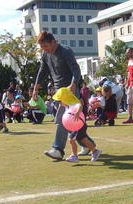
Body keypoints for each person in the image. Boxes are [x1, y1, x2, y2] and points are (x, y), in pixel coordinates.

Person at [33, 31, 87, 160]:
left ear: (53, 42)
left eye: (45, 46)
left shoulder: (65, 51)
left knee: (64, 119)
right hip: (59, 92)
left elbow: (76, 70)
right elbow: (42, 71)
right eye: (42, 47)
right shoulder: (45, 54)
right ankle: (86, 143)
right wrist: (36, 87)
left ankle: (57, 149)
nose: (44, 49)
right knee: (72, 121)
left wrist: (74, 84)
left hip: (70, 91)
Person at [52, 88, 101, 162]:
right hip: (78, 125)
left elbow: (80, 105)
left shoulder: (73, 104)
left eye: (60, 101)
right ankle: (95, 151)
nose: (59, 103)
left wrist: (77, 112)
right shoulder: (67, 106)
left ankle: (74, 156)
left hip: (79, 125)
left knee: (71, 140)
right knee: (83, 139)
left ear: (65, 99)